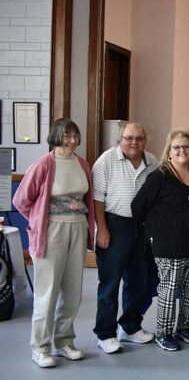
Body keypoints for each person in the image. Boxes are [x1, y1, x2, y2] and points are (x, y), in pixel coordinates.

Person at [13, 118, 95, 368]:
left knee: (72, 291)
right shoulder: (43, 165)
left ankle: (64, 342)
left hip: (77, 228)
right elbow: (21, 201)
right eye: (67, 135)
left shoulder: (82, 163)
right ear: (56, 136)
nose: (72, 140)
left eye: (75, 135)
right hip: (52, 231)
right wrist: (39, 220)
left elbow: (87, 198)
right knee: (47, 293)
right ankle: (40, 347)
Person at [131, 128, 189, 351]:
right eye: (177, 147)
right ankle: (163, 333)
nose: (182, 151)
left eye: (186, 146)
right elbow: (138, 208)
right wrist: (156, 229)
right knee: (168, 291)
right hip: (168, 246)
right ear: (169, 151)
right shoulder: (160, 176)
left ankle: (184, 327)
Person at [92, 122, 158, 354]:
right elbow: (97, 198)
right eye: (129, 138)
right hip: (114, 224)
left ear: (145, 140)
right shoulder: (106, 161)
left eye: (139, 138)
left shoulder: (152, 162)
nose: (134, 142)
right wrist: (102, 229)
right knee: (110, 283)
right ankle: (105, 334)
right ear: (120, 139)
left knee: (138, 282)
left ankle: (130, 327)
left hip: (141, 228)